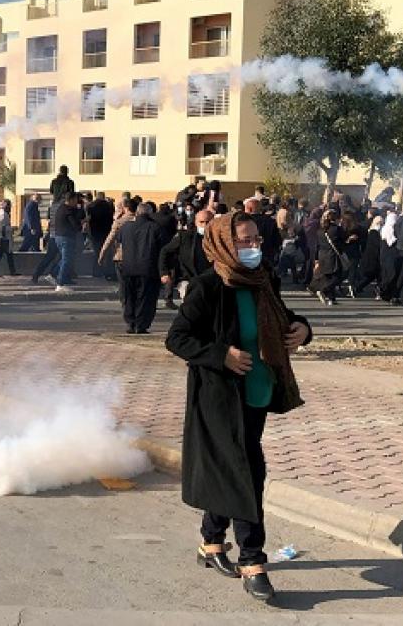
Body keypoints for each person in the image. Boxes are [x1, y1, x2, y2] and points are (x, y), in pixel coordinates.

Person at [165, 211, 312, 603]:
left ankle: (211, 541)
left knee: (234, 468)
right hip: (219, 398)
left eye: (256, 240)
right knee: (247, 471)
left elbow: (283, 318)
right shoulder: (208, 286)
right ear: (224, 243)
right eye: (244, 241)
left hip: (257, 392)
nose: (253, 247)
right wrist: (221, 355)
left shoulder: (264, 280)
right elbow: (177, 338)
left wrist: (303, 328)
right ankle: (252, 560)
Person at [114, 203, 169, 333]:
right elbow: (164, 247)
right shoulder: (156, 228)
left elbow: (118, 240)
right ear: (150, 213)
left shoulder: (126, 227)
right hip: (148, 268)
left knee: (129, 296)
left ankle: (130, 322)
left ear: (137, 213)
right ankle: (141, 324)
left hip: (128, 267)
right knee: (145, 298)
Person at [161, 209, 214, 305]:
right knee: (191, 305)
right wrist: (164, 272)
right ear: (196, 222)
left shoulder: (218, 239)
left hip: (211, 280)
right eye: (201, 222)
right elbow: (165, 251)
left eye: (208, 222)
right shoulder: (185, 237)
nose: (205, 225)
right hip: (188, 279)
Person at [310, 211, 344, 306]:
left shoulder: (320, 230)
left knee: (328, 277)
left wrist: (316, 259)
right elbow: (342, 241)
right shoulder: (336, 229)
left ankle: (331, 298)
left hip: (322, 255)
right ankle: (324, 290)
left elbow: (317, 245)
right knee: (337, 276)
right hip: (332, 255)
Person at [86, 192, 116, 281]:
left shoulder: (91, 206)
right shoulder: (108, 206)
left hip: (94, 232)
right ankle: (106, 272)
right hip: (105, 231)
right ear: (103, 197)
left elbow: (88, 218)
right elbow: (111, 216)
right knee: (106, 253)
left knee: (96, 252)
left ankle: (96, 271)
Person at [0, 198, 16, 277]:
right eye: (9, 206)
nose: (10, 207)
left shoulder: (2, 213)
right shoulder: (3, 215)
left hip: (2, 238)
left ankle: (12, 271)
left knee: (8, 255)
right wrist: (12, 229)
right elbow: (1, 228)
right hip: (3, 239)